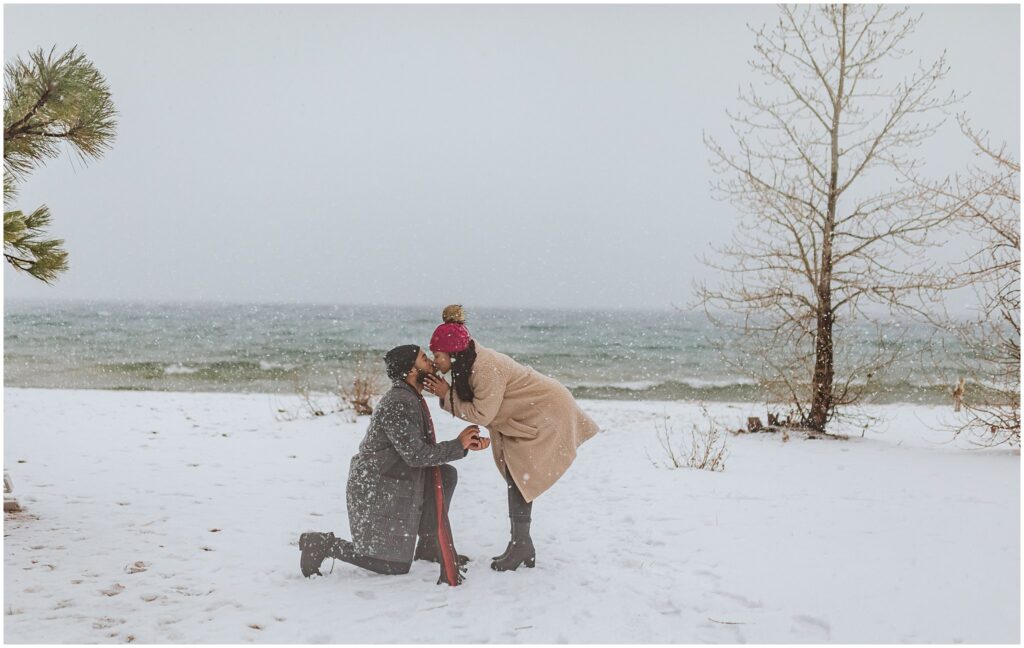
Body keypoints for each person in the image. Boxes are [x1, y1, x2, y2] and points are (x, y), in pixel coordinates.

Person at [423, 305, 599, 572]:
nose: (435, 361)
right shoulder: (467, 362)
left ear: (452, 353)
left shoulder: (485, 368)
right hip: (526, 414)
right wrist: (448, 393)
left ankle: (521, 545)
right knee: (517, 476)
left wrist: (446, 394)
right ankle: (521, 544)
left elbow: (482, 414)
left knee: (521, 476)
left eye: (437, 355)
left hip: (546, 411)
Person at [298, 344, 489, 584]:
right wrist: (457, 445)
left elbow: (417, 454)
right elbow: (416, 455)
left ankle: (428, 545)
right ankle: (323, 544)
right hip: (378, 489)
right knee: (392, 566)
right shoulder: (399, 401)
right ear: (411, 370)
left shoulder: (410, 396)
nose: (430, 361)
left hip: (397, 481)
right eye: (423, 358)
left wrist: (462, 446)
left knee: (445, 474)